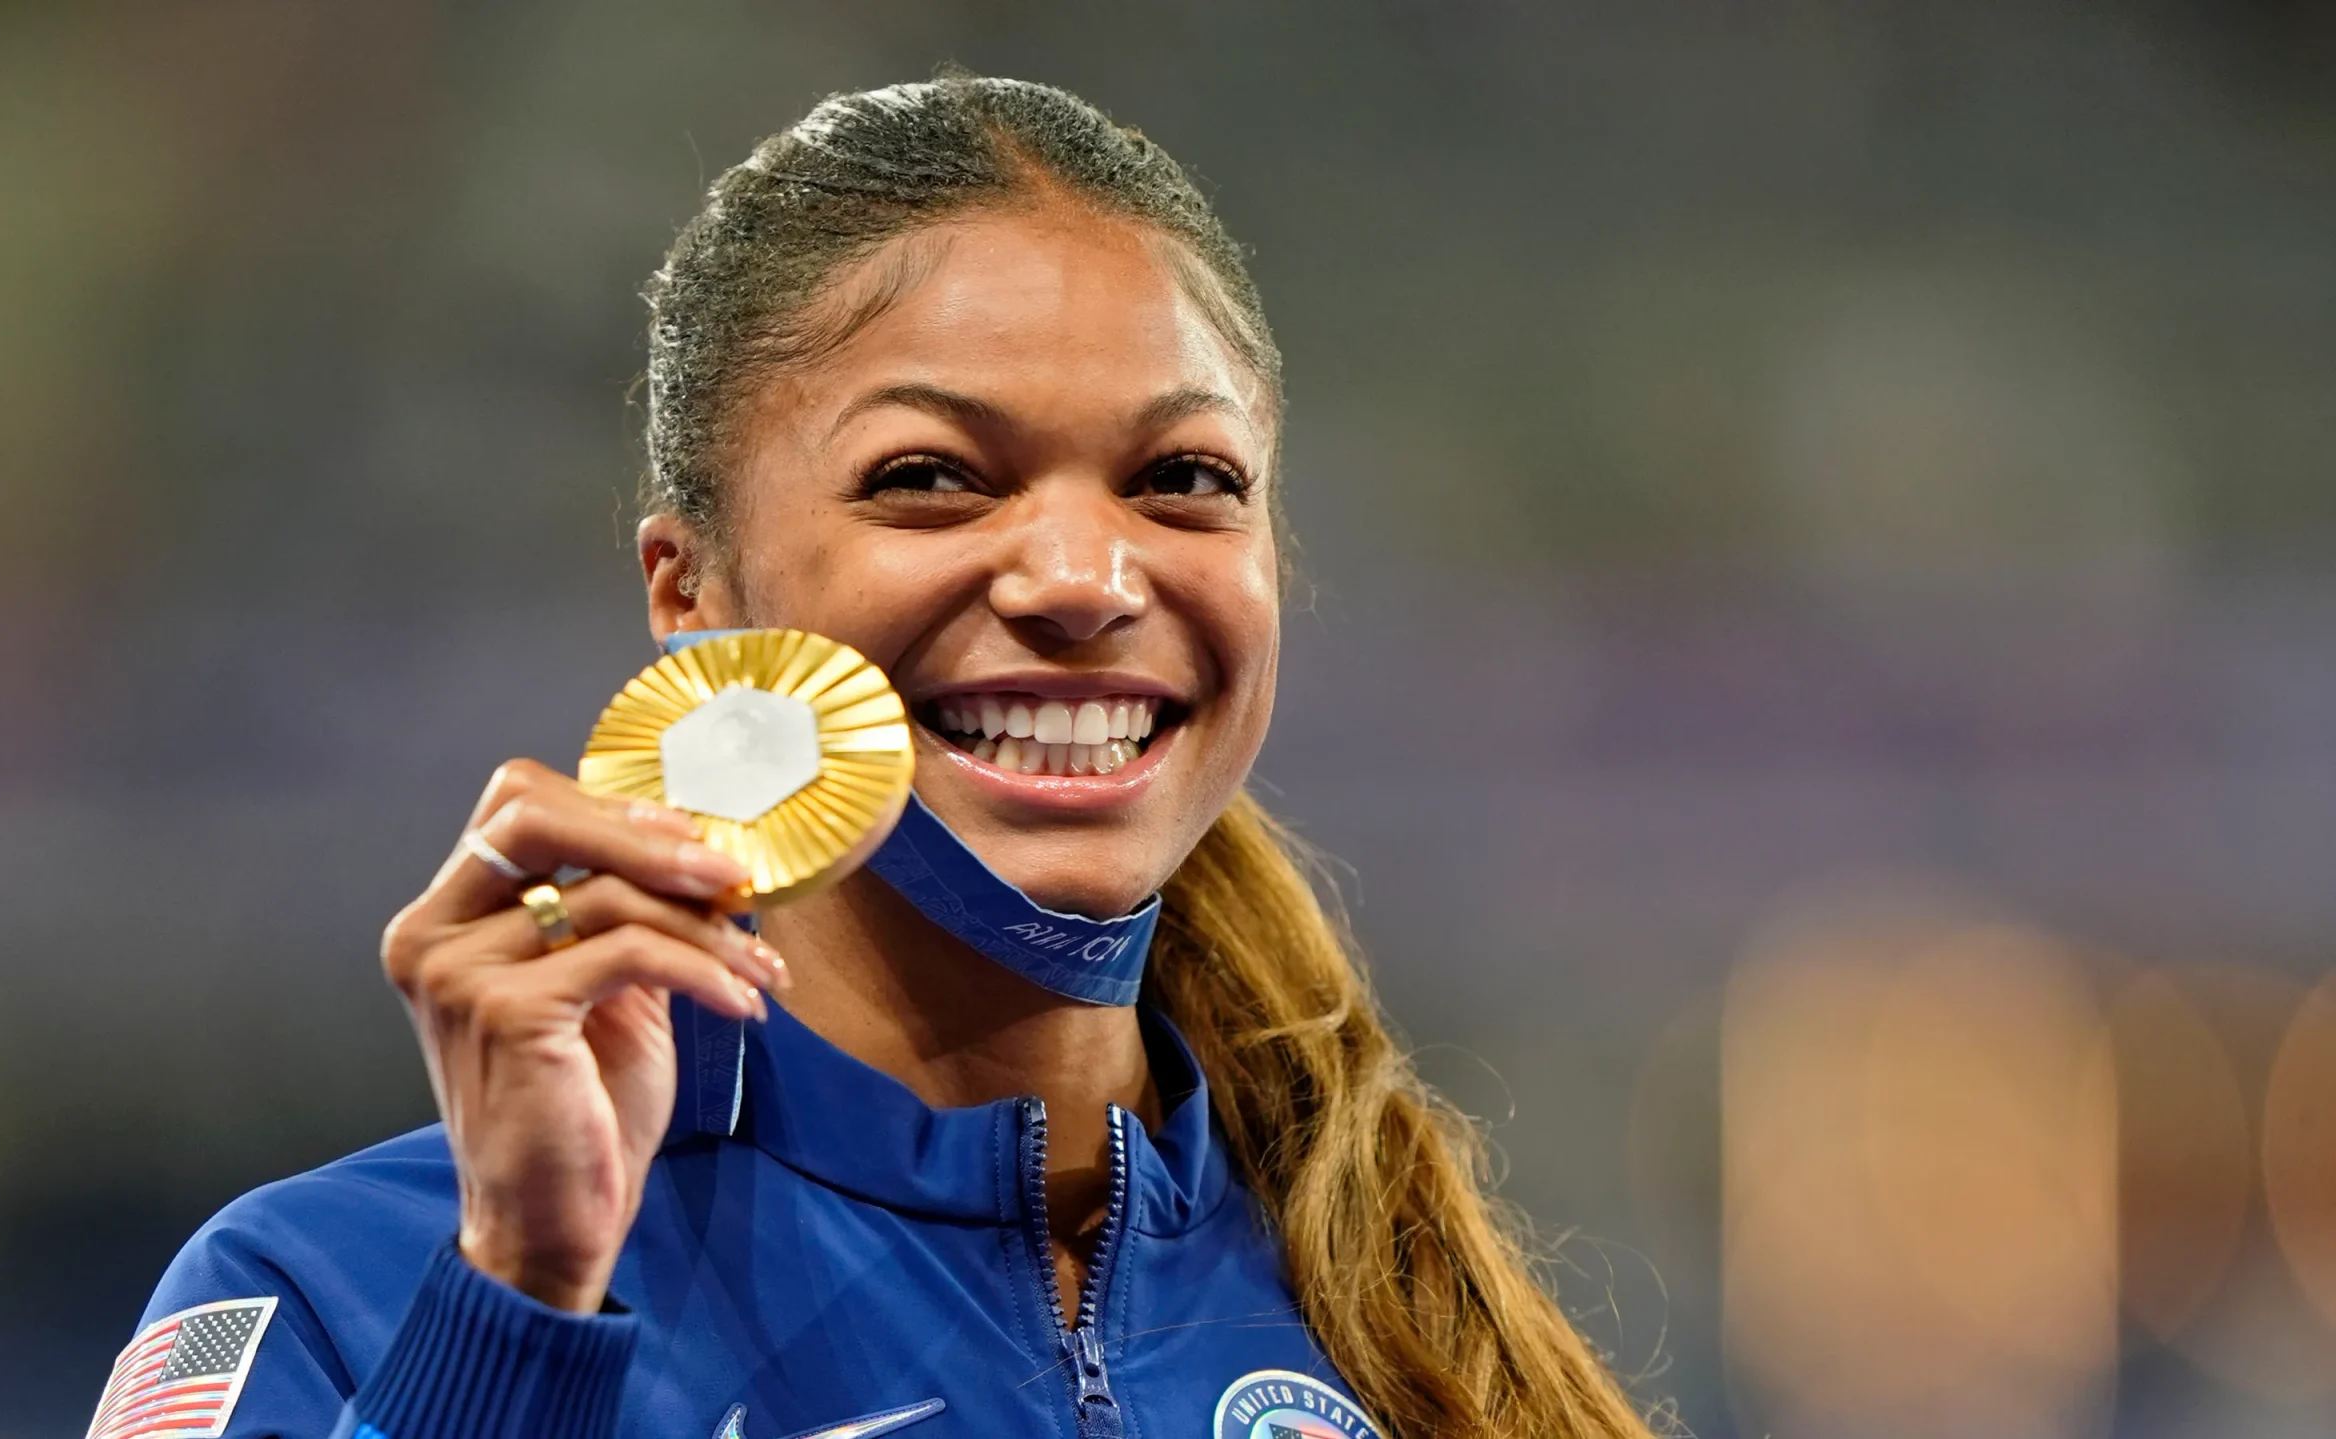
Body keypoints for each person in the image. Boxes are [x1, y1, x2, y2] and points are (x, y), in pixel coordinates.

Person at [89, 76, 1656, 1439]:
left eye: (1182, 477)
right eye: (931, 479)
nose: (1085, 576)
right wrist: (522, 1300)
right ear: (690, 594)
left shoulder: (1410, 1313)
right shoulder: (327, 1295)